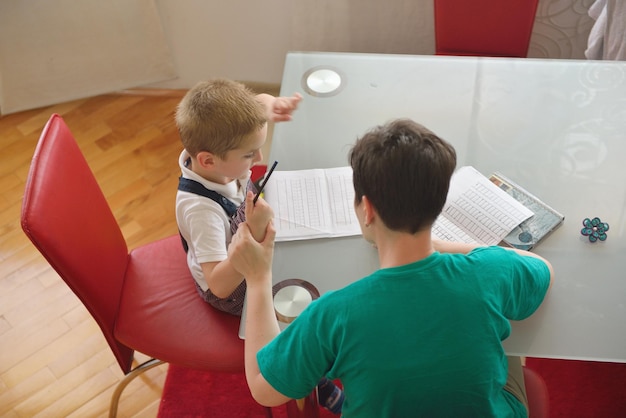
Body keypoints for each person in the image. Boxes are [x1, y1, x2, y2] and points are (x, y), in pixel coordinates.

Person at [228, 118, 554, 417]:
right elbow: (540, 268)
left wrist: (258, 279)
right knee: (504, 343)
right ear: (438, 205)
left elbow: (263, 389)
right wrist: (442, 246)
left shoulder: (334, 314)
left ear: (367, 209)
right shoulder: (488, 271)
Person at [174, 78, 343, 413]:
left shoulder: (219, 161)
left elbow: (260, 103)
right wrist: (250, 234)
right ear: (207, 161)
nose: (260, 157)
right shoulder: (200, 209)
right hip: (232, 284)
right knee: (298, 313)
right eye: (250, 154)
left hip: (251, 249)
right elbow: (220, 285)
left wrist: (271, 105)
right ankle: (311, 376)